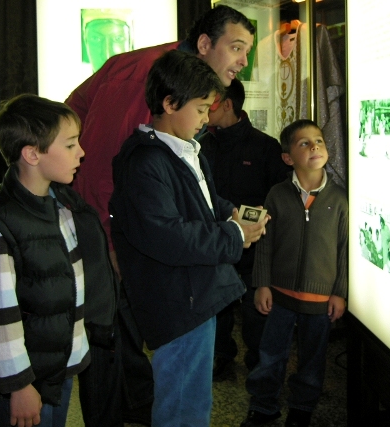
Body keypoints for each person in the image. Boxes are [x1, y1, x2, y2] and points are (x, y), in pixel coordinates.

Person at [66, 5, 256, 424]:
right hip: (101, 226)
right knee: (114, 345)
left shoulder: (184, 88)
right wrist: (111, 242)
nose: (244, 61)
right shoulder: (145, 76)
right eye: (237, 48)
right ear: (205, 44)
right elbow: (99, 165)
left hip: (136, 237)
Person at [109, 49, 268, 426]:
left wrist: (231, 212)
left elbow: (204, 200)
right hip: (178, 301)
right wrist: (234, 235)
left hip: (195, 293)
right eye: (200, 108)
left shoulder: (184, 150)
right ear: (168, 102)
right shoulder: (146, 162)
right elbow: (167, 236)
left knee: (193, 401)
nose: (205, 118)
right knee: (183, 407)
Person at [0, 94, 118, 427]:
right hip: (27, 377)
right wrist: (19, 385)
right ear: (32, 154)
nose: (82, 153)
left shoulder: (62, 206)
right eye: (71, 145)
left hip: (59, 363)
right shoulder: (1, 223)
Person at [241, 119, 348, 427]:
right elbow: (264, 244)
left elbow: (344, 250)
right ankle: (263, 406)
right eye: (304, 143)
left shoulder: (340, 200)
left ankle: (302, 407)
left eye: (319, 141)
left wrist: (339, 292)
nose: (315, 146)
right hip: (280, 296)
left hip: (320, 299)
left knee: (313, 360)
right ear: (287, 157)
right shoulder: (276, 194)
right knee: (270, 355)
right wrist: (261, 284)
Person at [199, 78, 290, 377]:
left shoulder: (265, 146)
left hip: (255, 246)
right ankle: (221, 357)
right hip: (217, 242)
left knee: (256, 311)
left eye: (210, 102)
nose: (205, 109)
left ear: (227, 104)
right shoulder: (202, 147)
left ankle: (260, 366)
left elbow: (282, 195)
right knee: (218, 306)